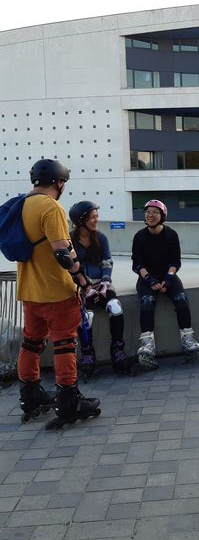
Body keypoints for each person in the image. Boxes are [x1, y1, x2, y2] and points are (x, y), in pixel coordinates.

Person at [16, 159, 100, 428]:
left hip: (29, 289)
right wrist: (83, 280)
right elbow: (63, 252)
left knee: (30, 343)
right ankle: (69, 401)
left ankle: (30, 396)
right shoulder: (51, 207)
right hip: (56, 290)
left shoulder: (21, 204)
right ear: (59, 182)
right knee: (64, 343)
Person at [131, 199, 199, 369]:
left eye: (155, 213)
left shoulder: (171, 235)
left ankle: (187, 338)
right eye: (148, 212)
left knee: (181, 298)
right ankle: (148, 343)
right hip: (147, 277)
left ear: (162, 216)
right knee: (147, 301)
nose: (150, 216)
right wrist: (150, 280)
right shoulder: (139, 237)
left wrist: (169, 278)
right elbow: (137, 264)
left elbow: (176, 261)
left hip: (167, 275)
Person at [69, 201, 134, 379]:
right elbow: (68, 267)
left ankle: (118, 351)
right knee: (86, 317)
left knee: (115, 307)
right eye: (92, 217)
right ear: (80, 220)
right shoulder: (70, 241)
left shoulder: (101, 238)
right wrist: (85, 287)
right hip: (80, 286)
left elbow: (107, 261)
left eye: (96, 217)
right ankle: (88, 354)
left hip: (102, 283)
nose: (96, 220)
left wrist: (105, 281)